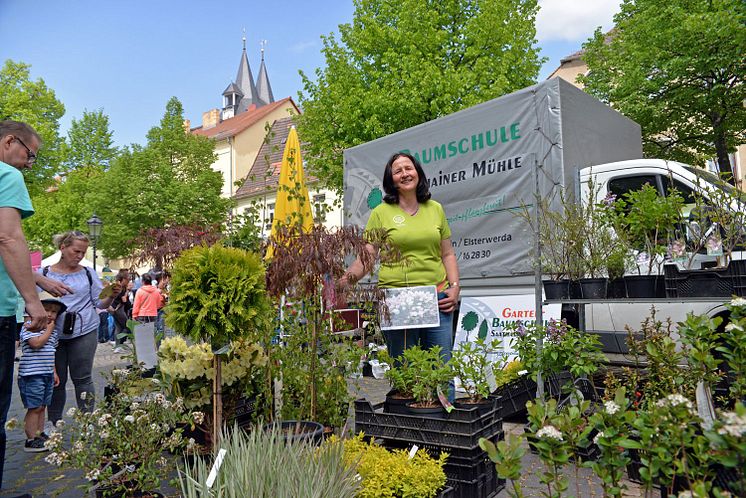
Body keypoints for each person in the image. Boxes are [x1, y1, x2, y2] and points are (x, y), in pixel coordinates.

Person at [340, 152, 460, 389]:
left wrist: (454, 289)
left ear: (418, 172)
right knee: (406, 371)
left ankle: (446, 422)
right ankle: (414, 424)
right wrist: (342, 282)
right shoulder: (381, 213)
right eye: (398, 171)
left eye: (409, 168)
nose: (405, 174)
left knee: (441, 368)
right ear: (391, 179)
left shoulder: (435, 209)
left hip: (436, 298)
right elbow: (367, 258)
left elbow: (447, 254)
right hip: (396, 301)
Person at [0, 120, 50, 490]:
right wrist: (34, 302)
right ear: (9, 142)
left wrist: (40, 279)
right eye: (29, 155)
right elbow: (8, 238)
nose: (29, 164)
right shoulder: (7, 176)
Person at [40, 231, 120, 425]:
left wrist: (111, 296)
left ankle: (87, 422)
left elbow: (99, 304)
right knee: (56, 381)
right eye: (76, 251)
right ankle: (54, 424)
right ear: (63, 248)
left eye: (83, 253)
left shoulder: (87, 272)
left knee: (83, 378)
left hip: (84, 331)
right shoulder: (44, 274)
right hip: (53, 334)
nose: (79, 256)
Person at [18, 292, 65, 452]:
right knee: (34, 407)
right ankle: (31, 439)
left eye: (54, 312)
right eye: (47, 310)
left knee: (43, 405)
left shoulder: (52, 333)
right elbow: (36, 344)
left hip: (46, 373)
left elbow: (51, 351)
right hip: (32, 374)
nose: (51, 315)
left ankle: (40, 433)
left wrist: (54, 372)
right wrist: (49, 330)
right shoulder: (29, 327)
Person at [108, 270, 132, 353]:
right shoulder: (120, 288)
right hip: (118, 310)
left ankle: (117, 345)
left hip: (116, 309)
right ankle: (118, 345)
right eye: (127, 279)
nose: (129, 281)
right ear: (123, 279)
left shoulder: (119, 287)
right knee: (127, 327)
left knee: (118, 327)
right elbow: (125, 301)